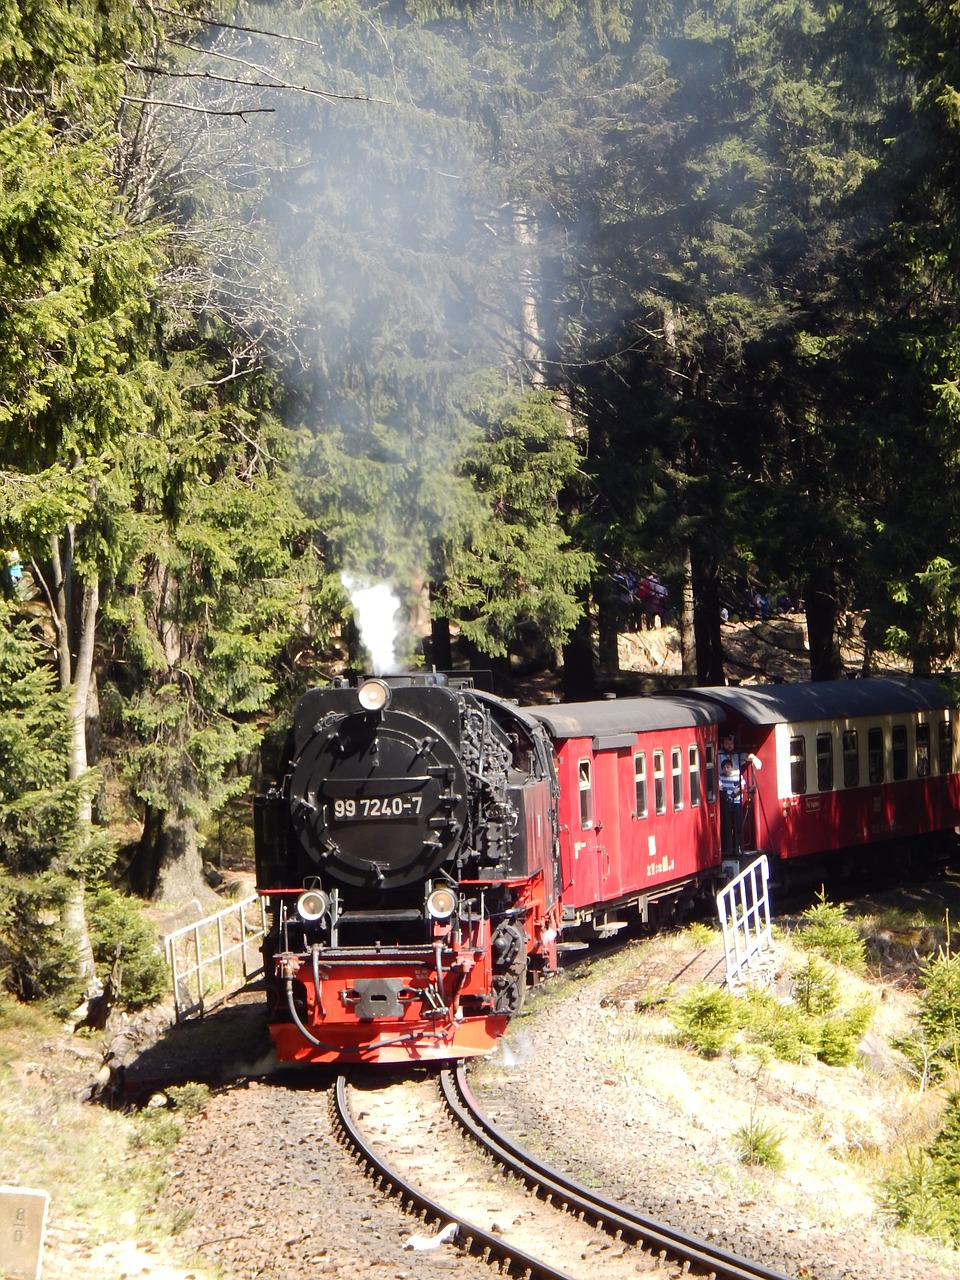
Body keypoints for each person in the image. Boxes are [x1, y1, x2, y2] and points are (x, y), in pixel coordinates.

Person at [718, 732, 761, 855]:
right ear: (722, 744)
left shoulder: (737, 756)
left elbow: (748, 756)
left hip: (736, 798)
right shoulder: (718, 755)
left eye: (732, 743)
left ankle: (738, 846)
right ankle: (727, 847)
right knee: (726, 823)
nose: (730, 746)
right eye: (727, 743)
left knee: (737, 823)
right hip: (724, 796)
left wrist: (754, 758)